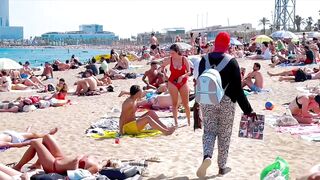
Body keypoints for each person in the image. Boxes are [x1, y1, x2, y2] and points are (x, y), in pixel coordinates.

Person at [196, 32, 253, 177]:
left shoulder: (204, 60)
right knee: (224, 134)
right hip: (227, 101)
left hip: (207, 100)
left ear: (215, 43)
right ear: (228, 45)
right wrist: (247, 110)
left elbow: (200, 81)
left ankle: (207, 156)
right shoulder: (231, 61)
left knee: (209, 131)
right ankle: (221, 167)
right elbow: (238, 90)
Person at [13, 135, 105, 174]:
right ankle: (37, 164)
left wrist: (76, 162)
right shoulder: (97, 161)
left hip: (54, 166)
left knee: (35, 143)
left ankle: (18, 166)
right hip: (60, 158)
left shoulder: (95, 167)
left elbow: (79, 175)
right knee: (47, 137)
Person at [161, 44, 191, 127]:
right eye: (170, 53)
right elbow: (162, 67)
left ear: (178, 52)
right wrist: (164, 74)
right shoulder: (169, 59)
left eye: (173, 53)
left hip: (183, 82)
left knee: (186, 104)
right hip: (172, 82)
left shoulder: (184, 59)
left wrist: (183, 76)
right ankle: (176, 122)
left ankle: (189, 121)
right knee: (174, 104)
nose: (171, 55)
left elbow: (189, 72)